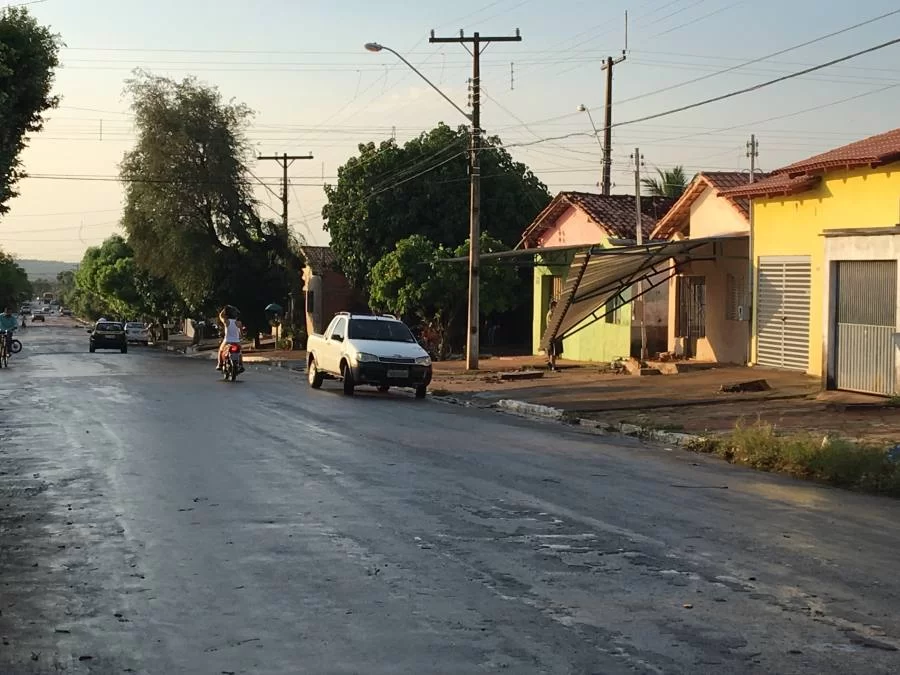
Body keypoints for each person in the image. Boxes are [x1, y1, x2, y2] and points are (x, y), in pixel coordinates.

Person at [216, 305, 244, 371]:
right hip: (236, 341)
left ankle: (220, 364)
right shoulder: (239, 323)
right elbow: (241, 334)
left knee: (220, 350)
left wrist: (225, 309)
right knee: (239, 352)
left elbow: (220, 316)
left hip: (227, 341)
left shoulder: (226, 322)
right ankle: (241, 365)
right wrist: (240, 337)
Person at [546, 299, 563, 371]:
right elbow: (552, 324)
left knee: (553, 351)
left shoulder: (552, 313)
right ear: (552, 306)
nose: (557, 307)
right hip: (553, 334)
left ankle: (551, 363)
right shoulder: (550, 314)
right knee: (553, 351)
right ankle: (553, 366)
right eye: (556, 306)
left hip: (554, 334)